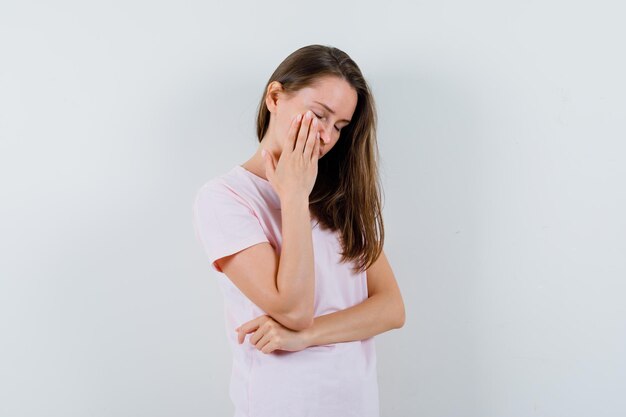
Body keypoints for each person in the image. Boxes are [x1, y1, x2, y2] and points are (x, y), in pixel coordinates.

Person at [192, 44, 405, 417]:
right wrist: (293, 197)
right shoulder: (225, 198)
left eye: (339, 126)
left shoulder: (341, 197)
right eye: (318, 115)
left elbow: (390, 308)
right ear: (275, 96)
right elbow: (293, 309)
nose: (325, 136)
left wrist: (306, 336)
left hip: (356, 403)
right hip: (282, 403)